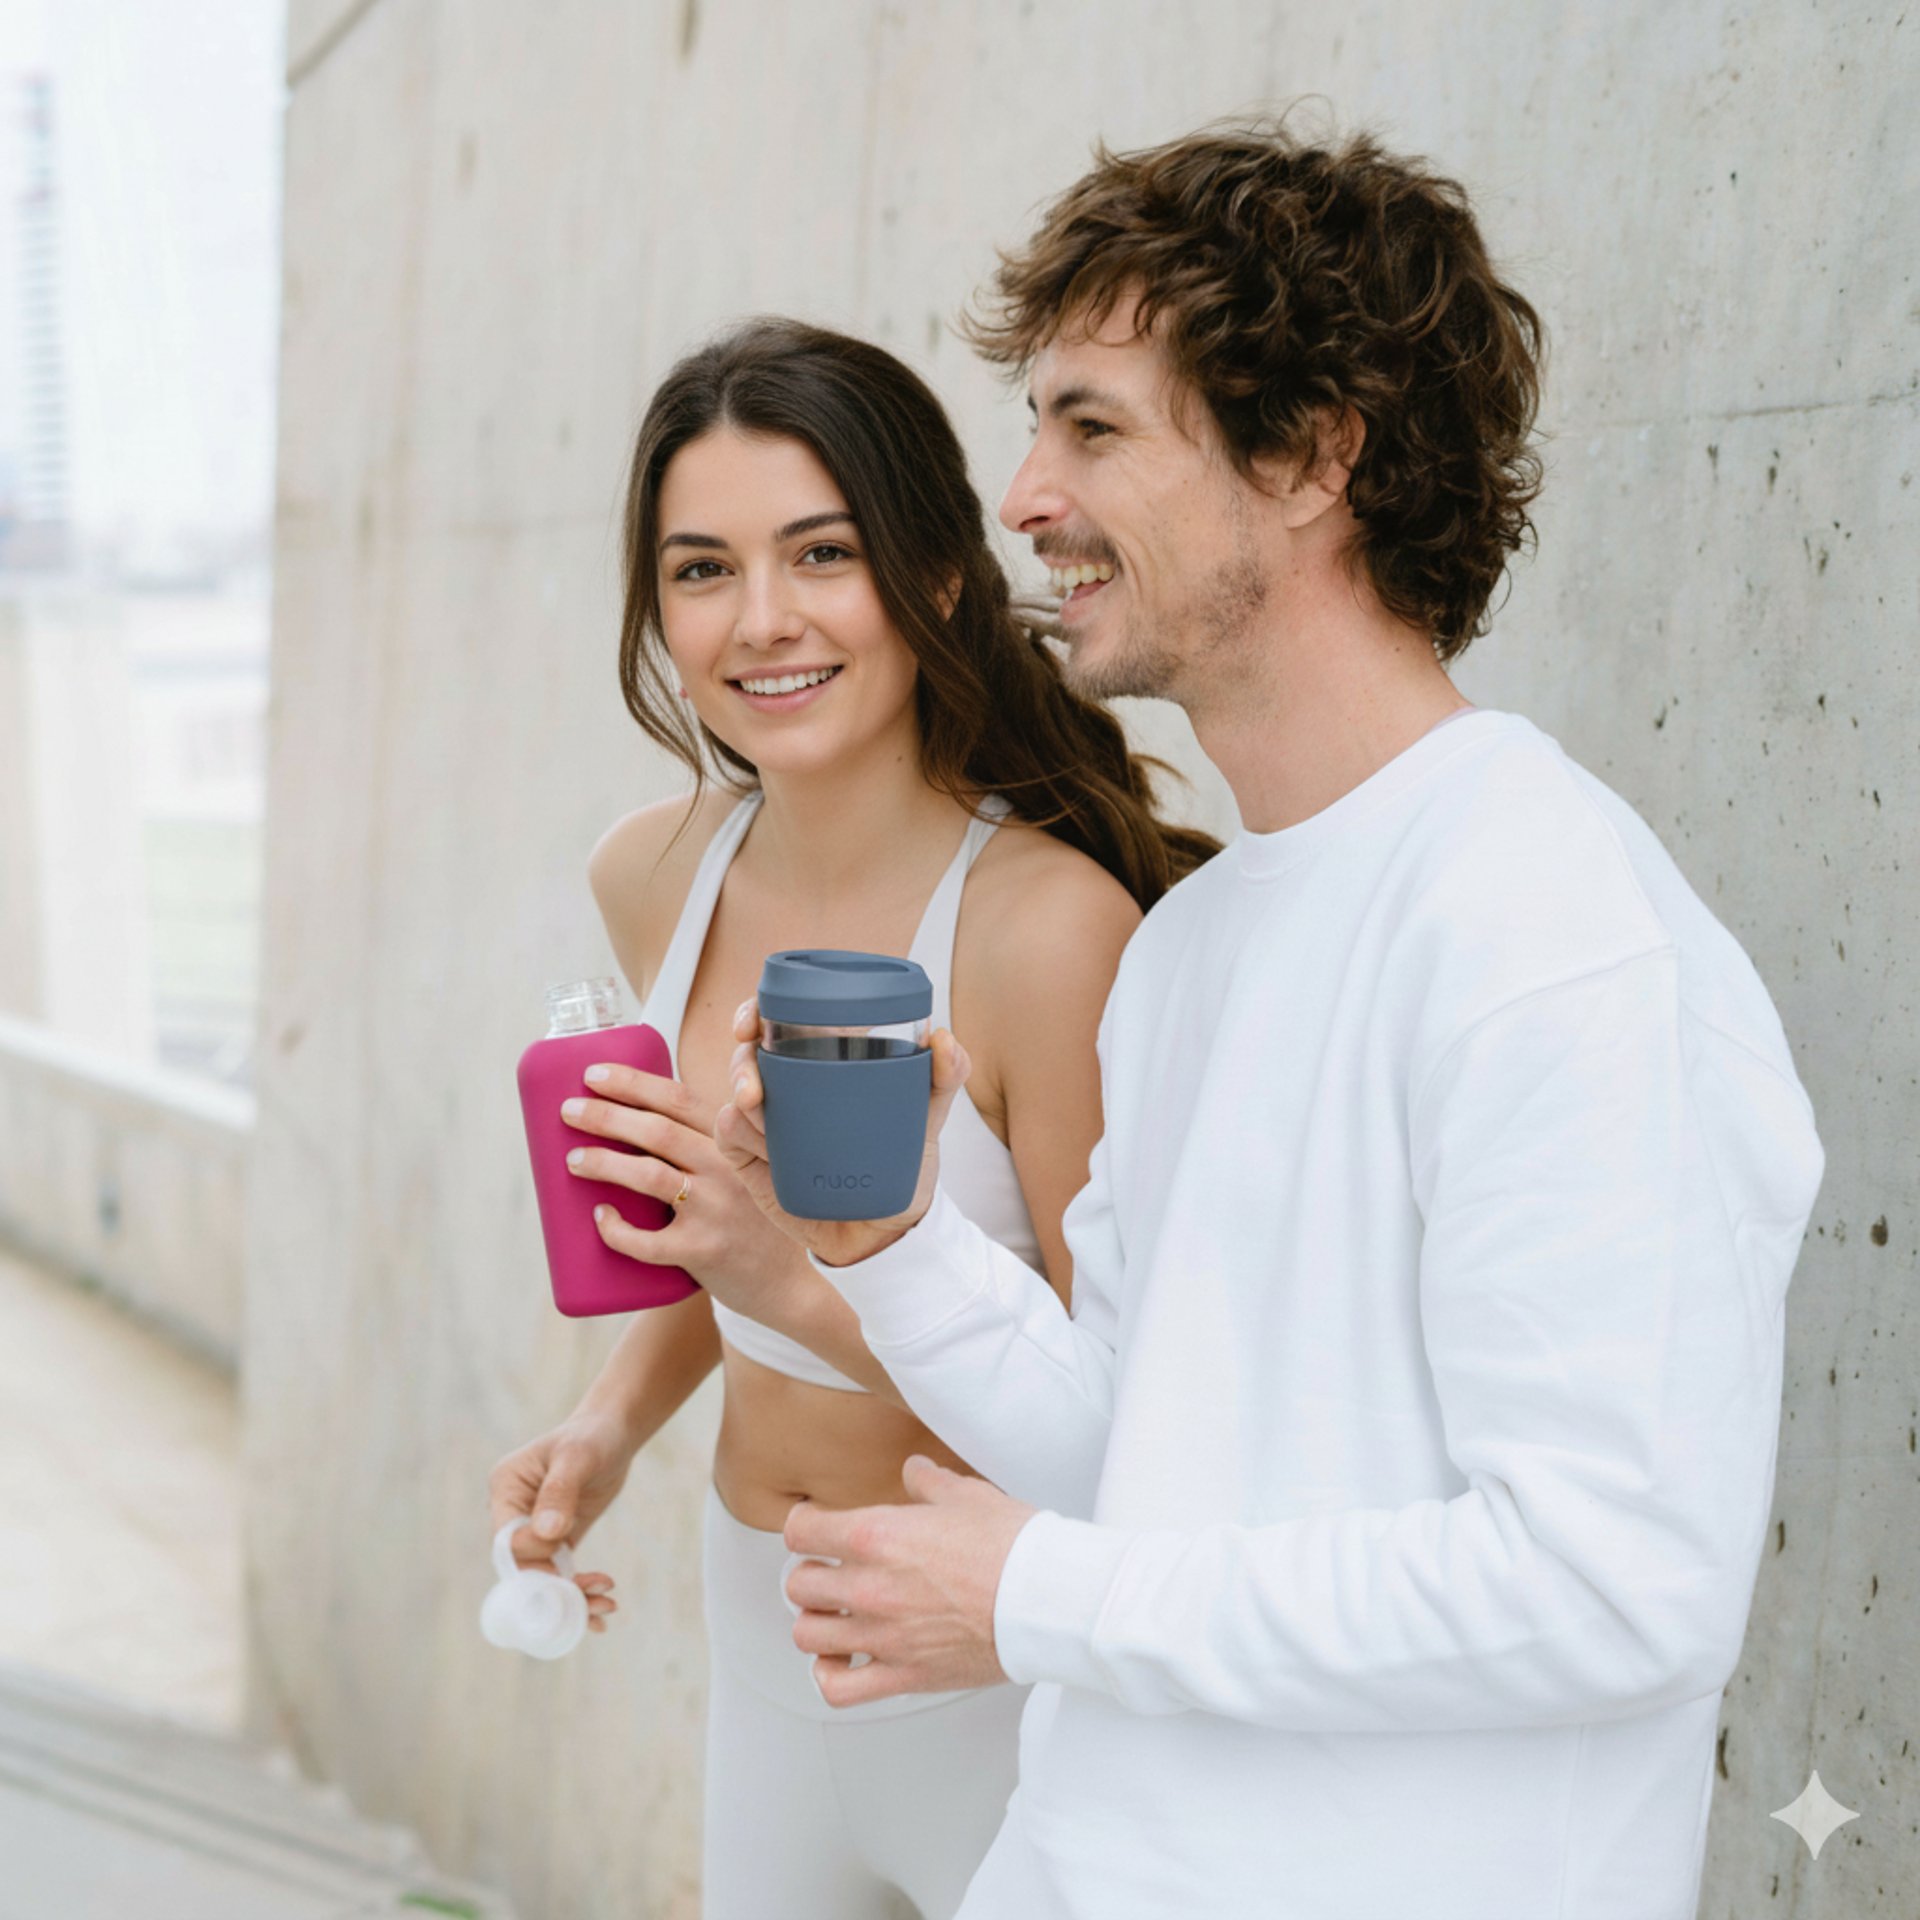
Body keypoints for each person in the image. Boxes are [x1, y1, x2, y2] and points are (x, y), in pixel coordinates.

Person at [702, 124, 1828, 1918]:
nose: (1023, 495)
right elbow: (1144, 1458)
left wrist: (1039, 1602)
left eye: (1092, 425)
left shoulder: (1550, 927)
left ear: (1310, 456)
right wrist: (895, 1243)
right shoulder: (1201, 940)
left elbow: (1619, 1584)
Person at [486, 316, 1217, 1920]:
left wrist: (774, 1275)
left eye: (822, 553)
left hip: (986, 1674)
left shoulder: (1046, 930)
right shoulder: (654, 872)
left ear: (934, 574)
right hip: (758, 1630)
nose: (762, 622)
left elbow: (1122, 1414)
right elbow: (716, 1238)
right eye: (700, 570)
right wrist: (611, 1426)